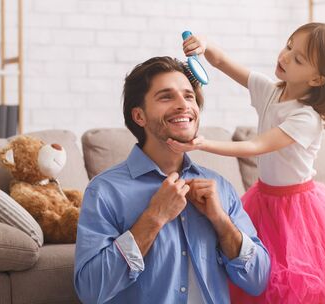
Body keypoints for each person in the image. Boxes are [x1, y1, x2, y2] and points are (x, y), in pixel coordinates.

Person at [168, 22, 325, 304]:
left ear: (318, 79)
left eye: (298, 59)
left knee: (292, 286)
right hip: (263, 200)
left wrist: (202, 143)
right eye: (289, 46)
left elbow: (255, 145)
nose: (285, 56)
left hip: (298, 209)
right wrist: (204, 44)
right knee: (252, 273)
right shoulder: (270, 90)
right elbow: (222, 61)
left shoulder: (306, 118)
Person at [73, 56, 270, 304]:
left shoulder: (220, 189)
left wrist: (221, 221)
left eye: (189, 96)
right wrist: (154, 217)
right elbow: (91, 291)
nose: (184, 105)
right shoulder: (104, 191)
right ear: (139, 116)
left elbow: (258, 280)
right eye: (166, 97)